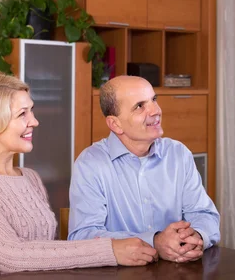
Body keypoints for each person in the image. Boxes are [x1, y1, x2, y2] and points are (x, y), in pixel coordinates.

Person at [0, 74, 158, 280]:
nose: (34, 121)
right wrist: (109, 249)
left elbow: (47, 252)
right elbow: (10, 254)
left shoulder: (29, 178)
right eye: (22, 114)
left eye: (31, 111)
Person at [68, 75, 220, 264]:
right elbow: (83, 235)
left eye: (154, 100)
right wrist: (155, 242)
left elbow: (205, 215)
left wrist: (194, 237)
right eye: (140, 106)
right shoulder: (90, 163)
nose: (155, 111)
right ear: (115, 124)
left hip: (178, 270)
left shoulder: (178, 154)